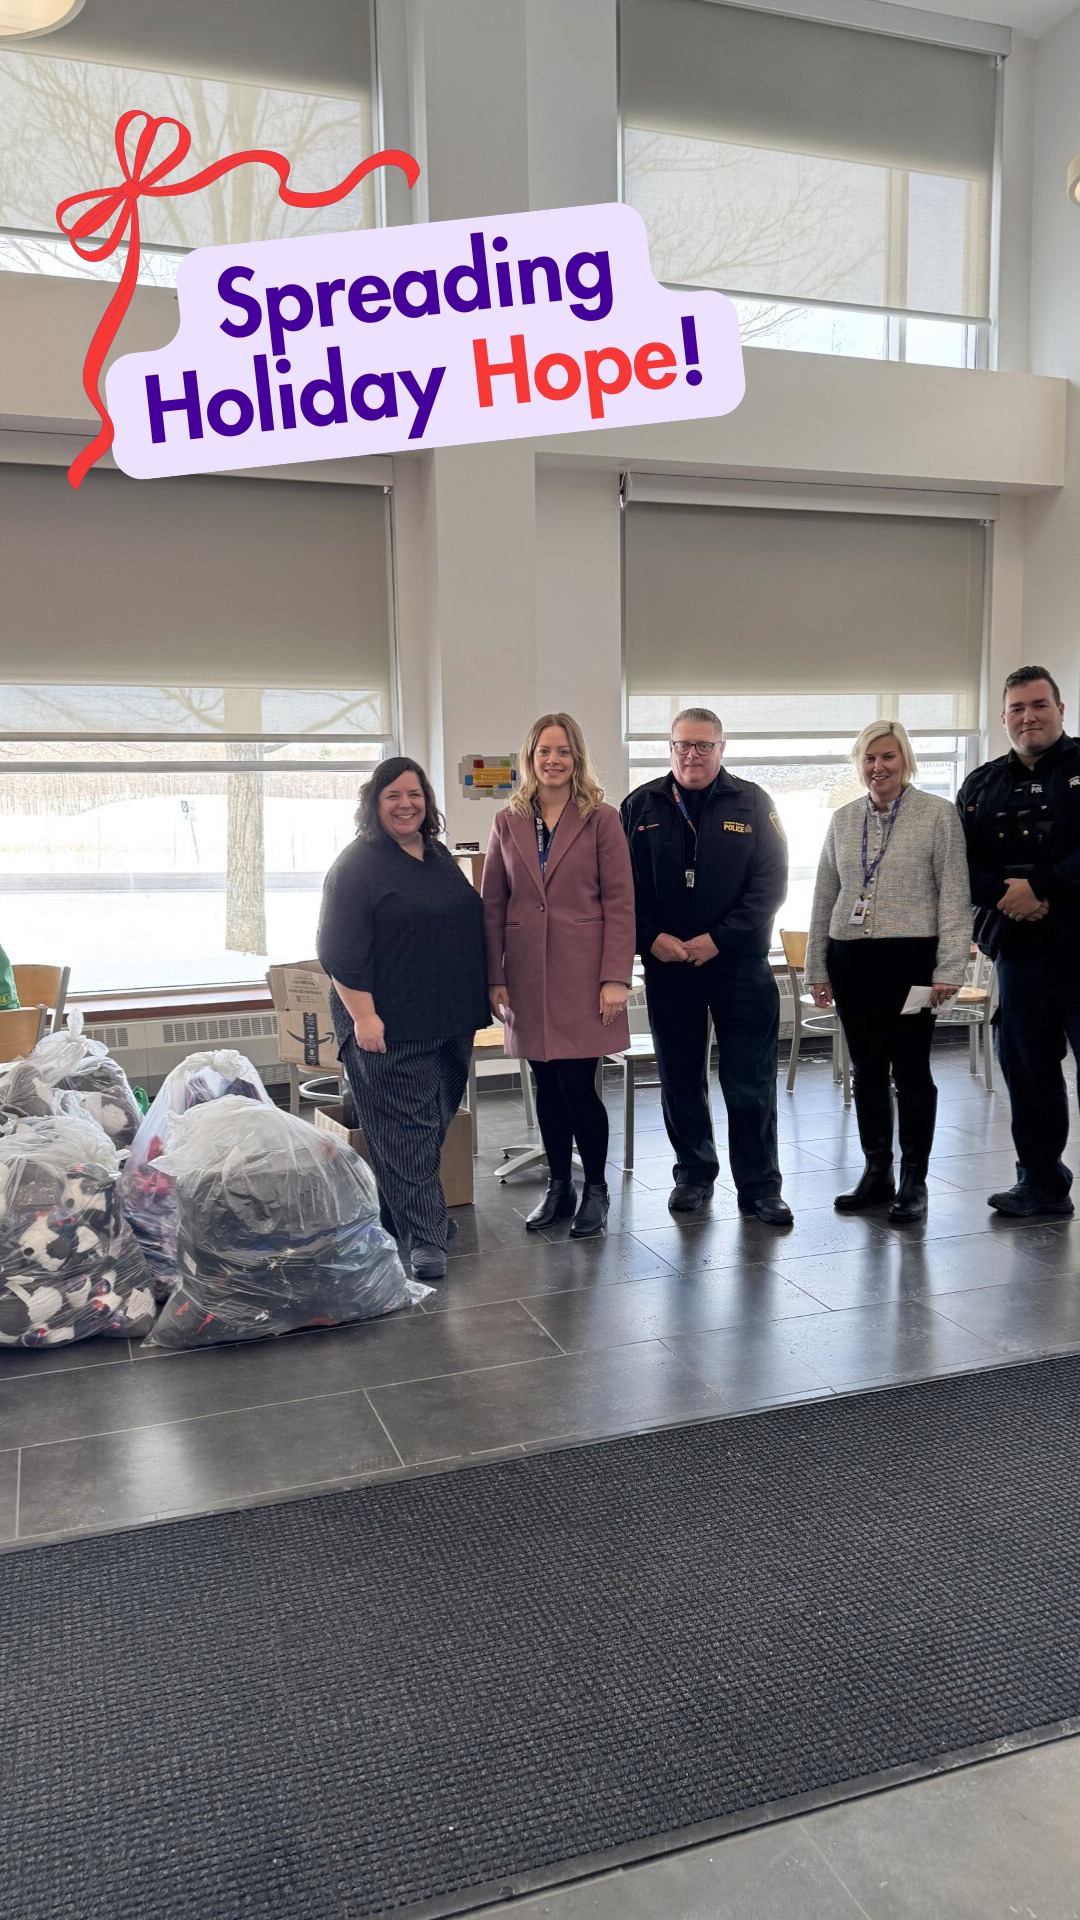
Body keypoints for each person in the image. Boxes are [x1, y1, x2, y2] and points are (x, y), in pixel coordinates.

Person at [316, 757, 489, 1281]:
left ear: (427, 801)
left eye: (414, 794)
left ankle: (400, 1216)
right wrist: (364, 1017)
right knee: (406, 1134)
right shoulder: (357, 865)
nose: (405, 804)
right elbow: (338, 951)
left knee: (427, 1126)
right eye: (393, 795)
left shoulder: (435, 855)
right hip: (386, 1026)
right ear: (375, 803)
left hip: (448, 1019)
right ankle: (425, 1239)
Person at [620, 707, 792, 1226]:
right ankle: (693, 1173)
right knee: (679, 1076)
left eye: (703, 745)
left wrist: (718, 940)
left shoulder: (754, 802)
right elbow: (618, 890)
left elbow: (771, 884)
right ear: (669, 748)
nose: (692, 755)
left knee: (751, 1079)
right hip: (669, 966)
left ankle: (760, 1187)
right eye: (682, 745)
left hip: (738, 965)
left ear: (721, 748)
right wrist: (654, 939)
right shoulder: (639, 805)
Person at [804, 722, 971, 1224]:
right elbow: (824, 897)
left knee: (912, 1071)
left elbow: (955, 895)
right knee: (867, 1071)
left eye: (888, 758)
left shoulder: (938, 815)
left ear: (906, 761)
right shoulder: (842, 819)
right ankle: (877, 1172)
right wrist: (817, 964)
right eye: (869, 759)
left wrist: (950, 966)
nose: (878, 768)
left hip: (912, 962)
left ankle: (914, 1179)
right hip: (851, 959)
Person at [482, 713, 635, 1238]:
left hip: (584, 972)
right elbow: (494, 902)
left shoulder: (601, 818)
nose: (553, 760)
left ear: (577, 759)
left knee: (578, 1083)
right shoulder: (508, 820)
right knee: (546, 1083)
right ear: (530, 758)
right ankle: (559, 1188)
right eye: (544, 750)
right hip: (526, 973)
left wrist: (616, 975)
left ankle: (595, 1187)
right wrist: (494, 975)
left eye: (563, 751)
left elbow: (620, 901)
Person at [957, 666, 1080, 1217]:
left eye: (1039, 705)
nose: (1028, 717)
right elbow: (960, 861)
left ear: (1060, 708)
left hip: (1078, 941)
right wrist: (1009, 895)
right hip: (1017, 948)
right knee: (1027, 1068)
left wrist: (1042, 887)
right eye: (1016, 709)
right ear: (1003, 716)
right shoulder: (982, 783)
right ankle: (1040, 1183)